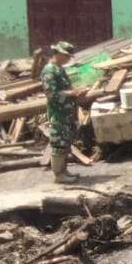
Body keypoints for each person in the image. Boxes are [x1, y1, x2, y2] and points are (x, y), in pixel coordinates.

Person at [41, 41, 80, 184]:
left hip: (66, 113)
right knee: (58, 144)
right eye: (66, 56)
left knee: (65, 143)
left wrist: (75, 92)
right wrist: (71, 93)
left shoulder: (59, 69)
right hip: (58, 114)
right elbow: (51, 94)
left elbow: (65, 88)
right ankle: (58, 175)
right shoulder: (49, 70)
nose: (68, 59)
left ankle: (64, 171)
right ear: (57, 54)